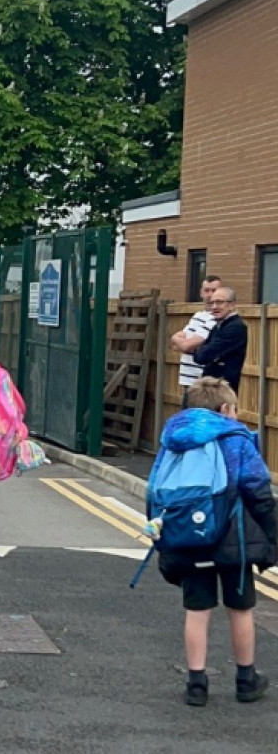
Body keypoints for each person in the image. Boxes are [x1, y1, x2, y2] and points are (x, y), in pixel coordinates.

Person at [150, 376, 274, 706]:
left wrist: (162, 537)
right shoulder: (235, 439)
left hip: (188, 539)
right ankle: (246, 679)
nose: (237, 416)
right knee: (241, 609)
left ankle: (196, 683)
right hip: (235, 541)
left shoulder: (172, 439)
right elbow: (259, 491)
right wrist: (273, 536)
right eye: (234, 409)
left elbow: (156, 491)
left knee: (197, 610)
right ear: (224, 409)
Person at [193, 286, 248, 394]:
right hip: (213, 387)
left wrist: (199, 350)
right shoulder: (218, 326)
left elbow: (203, 356)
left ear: (231, 305)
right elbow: (201, 354)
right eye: (212, 303)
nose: (214, 307)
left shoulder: (235, 327)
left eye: (219, 302)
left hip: (223, 389)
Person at [172, 276, 221, 392]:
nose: (210, 295)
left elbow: (186, 346)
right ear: (201, 293)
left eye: (214, 290)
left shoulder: (216, 319)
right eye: (207, 290)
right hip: (187, 380)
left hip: (203, 383)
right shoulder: (197, 316)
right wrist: (180, 342)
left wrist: (175, 337)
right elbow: (175, 347)